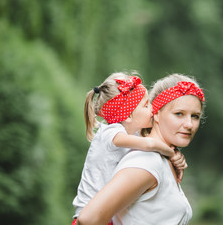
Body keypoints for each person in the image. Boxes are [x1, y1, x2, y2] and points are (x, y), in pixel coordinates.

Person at [77, 73, 205, 225]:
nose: (189, 124)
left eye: (195, 116)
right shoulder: (146, 161)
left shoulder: (157, 158)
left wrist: (172, 154)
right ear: (156, 113)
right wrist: (170, 152)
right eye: (179, 114)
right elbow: (88, 219)